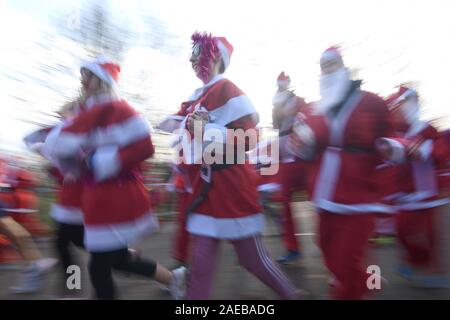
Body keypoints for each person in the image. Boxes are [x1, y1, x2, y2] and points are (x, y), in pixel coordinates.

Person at [164, 32, 302, 299]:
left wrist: (206, 130)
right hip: (206, 189)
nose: (191, 60)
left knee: (253, 260)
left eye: (196, 54)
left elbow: (250, 137)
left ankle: (290, 295)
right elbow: (187, 132)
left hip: (232, 186)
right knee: (202, 263)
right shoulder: (197, 97)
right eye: (191, 55)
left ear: (213, 56)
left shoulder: (228, 89)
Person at [41, 55, 186, 299]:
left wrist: (99, 162)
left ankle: (73, 290)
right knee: (85, 252)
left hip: (108, 200)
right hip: (88, 200)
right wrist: (61, 165)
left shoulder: (116, 111)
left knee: (100, 264)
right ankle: (72, 289)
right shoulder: (87, 114)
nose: (82, 82)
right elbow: (72, 154)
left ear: (100, 80)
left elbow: (141, 149)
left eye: (87, 77)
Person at [288, 46, 394, 299]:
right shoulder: (314, 109)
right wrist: (300, 146)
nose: (327, 69)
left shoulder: (371, 102)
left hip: (358, 192)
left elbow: (390, 136)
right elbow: (303, 147)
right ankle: (370, 280)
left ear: (344, 67)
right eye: (323, 66)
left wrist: (392, 147)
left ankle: (352, 290)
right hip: (325, 193)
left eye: (332, 64)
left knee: (347, 257)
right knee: (327, 250)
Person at [376, 86, 450, 288]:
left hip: (426, 190)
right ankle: (412, 259)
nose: (405, 108)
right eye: (402, 104)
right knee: (401, 231)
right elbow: (384, 160)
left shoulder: (425, 128)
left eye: (411, 103)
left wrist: (424, 149)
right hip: (404, 193)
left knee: (430, 234)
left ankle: (435, 271)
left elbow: (441, 150)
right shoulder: (391, 132)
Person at [272, 72, 308, 265]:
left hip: (300, 152)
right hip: (284, 151)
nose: (280, 86)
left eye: (283, 83)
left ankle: (333, 244)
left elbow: (308, 120)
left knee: (317, 196)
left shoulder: (298, 100)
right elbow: (276, 125)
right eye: (279, 83)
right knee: (283, 199)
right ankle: (292, 247)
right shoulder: (275, 102)